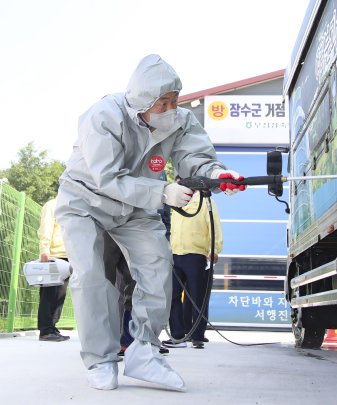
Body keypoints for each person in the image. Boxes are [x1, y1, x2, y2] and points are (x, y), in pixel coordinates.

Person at [55, 54, 246, 392]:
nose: (172, 108)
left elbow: (194, 157)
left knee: (158, 265)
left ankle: (143, 351)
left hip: (136, 208)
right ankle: (101, 358)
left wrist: (217, 174)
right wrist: (163, 191)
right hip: (86, 201)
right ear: (143, 101)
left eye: (175, 100)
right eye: (164, 102)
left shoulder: (179, 120)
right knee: (89, 275)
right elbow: (108, 178)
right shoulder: (102, 117)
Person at [162, 190, 223, 350]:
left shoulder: (205, 202)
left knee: (198, 297)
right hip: (175, 254)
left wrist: (214, 248)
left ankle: (197, 336)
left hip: (196, 254)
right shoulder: (175, 203)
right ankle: (178, 336)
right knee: (173, 295)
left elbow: (214, 225)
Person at [37, 198, 70, 342]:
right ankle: (45, 330)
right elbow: (46, 228)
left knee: (60, 294)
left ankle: (52, 327)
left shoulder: (72, 205)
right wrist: (44, 250)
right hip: (53, 255)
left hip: (67, 255)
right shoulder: (52, 205)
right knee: (49, 294)